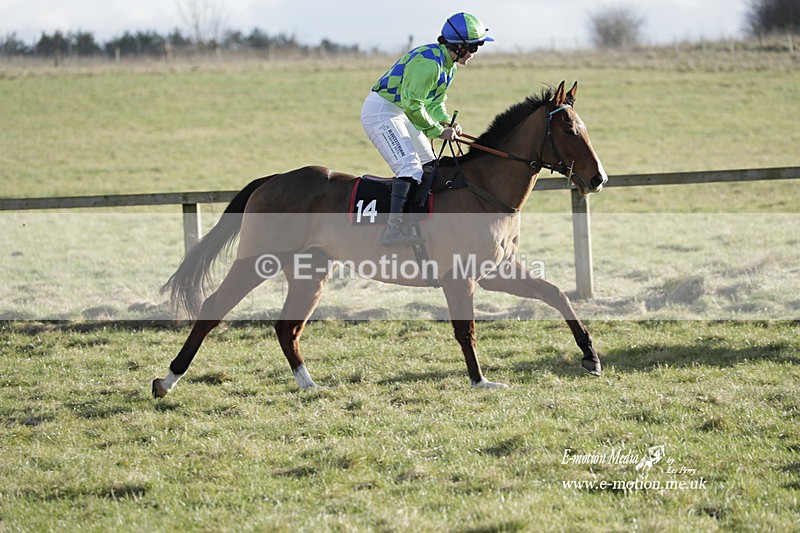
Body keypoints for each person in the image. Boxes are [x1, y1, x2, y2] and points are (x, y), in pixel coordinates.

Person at [361, 12, 494, 247]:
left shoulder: (448, 66)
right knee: (410, 167)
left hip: (402, 111)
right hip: (382, 111)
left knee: (430, 165)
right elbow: (413, 104)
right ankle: (392, 231)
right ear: (460, 46)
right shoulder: (429, 64)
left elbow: (433, 103)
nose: (475, 53)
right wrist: (436, 131)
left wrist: (445, 122)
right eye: (474, 47)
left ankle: (420, 222)